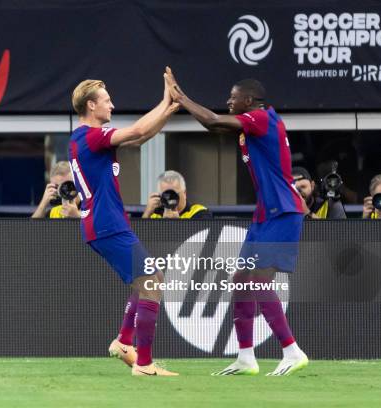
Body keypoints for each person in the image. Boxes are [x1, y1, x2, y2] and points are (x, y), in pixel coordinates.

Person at [165, 68, 309, 376]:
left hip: (282, 212)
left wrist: (182, 98)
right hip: (265, 213)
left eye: (233, 98)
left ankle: (292, 351)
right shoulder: (251, 124)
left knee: (258, 281)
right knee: (242, 281)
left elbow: (213, 122)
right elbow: (215, 125)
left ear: (250, 100)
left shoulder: (262, 118)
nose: (228, 102)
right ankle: (246, 357)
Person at [69, 72, 180, 376]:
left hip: (105, 223)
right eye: (107, 101)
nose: (112, 105)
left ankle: (124, 343)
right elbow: (138, 129)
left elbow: (141, 136)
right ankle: (143, 364)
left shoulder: (86, 139)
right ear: (91, 105)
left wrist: (166, 111)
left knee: (149, 279)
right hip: (107, 224)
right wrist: (165, 99)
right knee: (152, 284)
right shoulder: (91, 137)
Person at [142, 170, 212, 219]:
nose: (170, 199)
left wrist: (176, 223)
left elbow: (200, 238)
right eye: (167, 194)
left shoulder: (199, 213)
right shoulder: (154, 214)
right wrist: (146, 214)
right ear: (160, 196)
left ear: (184, 193)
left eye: (174, 194)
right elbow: (138, 238)